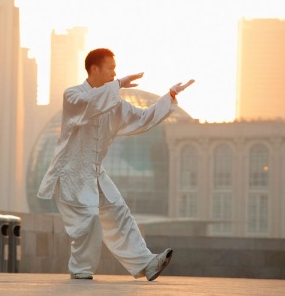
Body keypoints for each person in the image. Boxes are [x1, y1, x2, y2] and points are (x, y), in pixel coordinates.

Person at [37, 48, 194, 281]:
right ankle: (81, 270)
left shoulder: (115, 104)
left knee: (119, 213)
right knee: (88, 220)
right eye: (110, 68)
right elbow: (90, 104)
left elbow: (142, 118)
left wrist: (168, 96)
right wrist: (118, 84)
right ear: (94, 69)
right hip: (71, 174)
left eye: (115, 69)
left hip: (95, 173)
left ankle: (146, 263)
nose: (114, 73)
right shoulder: (73, 95)